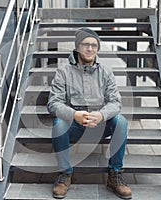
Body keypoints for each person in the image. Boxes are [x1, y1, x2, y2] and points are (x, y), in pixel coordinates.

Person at [47, 28, 132, 199]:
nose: (90, 49)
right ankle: (65, 174)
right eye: (86, 44)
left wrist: (101, 115)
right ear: (77, 47)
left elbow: (116, 102)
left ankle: (115, 174)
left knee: (121, 122)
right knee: (58, 124)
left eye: (94, 45)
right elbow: (53, 103)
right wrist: (74, 115)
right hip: (76, 124)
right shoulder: (63, 71)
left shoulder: (106, 71)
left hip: (100, 123)